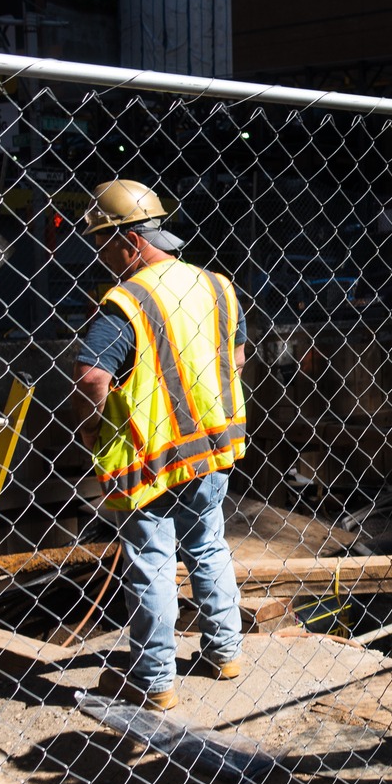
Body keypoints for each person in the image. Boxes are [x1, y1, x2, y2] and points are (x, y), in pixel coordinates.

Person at [72, 181, 248, 711]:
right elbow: (235, 361)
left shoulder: (126, 300)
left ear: (128, 241)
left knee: (150, 561)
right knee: (208, 545)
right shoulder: (217, 285)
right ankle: (227, 655)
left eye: (105, 245)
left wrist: (91, 430)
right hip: (210, 447)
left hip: (149, 458)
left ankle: (156, 682)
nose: (104, 258)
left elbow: (90, 378)